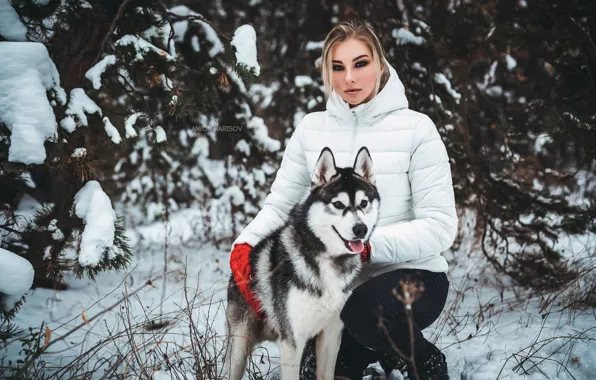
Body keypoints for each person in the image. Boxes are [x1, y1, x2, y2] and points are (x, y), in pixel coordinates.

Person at [229, 19, 457, 380]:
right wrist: (244, 245)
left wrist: (369, 247)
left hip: (414, 279)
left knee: (367, 311)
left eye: (360, 63)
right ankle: (378, 352)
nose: (349, 77)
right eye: (338, 67)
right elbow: (279, 205)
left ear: (381, 66)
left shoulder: (417, 129)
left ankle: (425, 365)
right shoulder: (311, 130)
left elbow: (441, 227)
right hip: (339, 288)